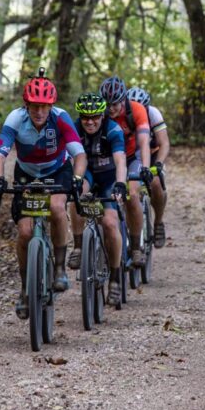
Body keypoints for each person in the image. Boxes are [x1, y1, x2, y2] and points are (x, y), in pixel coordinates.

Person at [0, 68, 87, 319]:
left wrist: (77, 179)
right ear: (27, 104)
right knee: (24, 232)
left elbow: (79, 154)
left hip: (57, 170)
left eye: (44, 106)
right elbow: (0, 153)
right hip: (27, 174)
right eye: (35, 106)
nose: (40, 111)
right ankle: (25, 289)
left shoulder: (61, 117)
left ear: (51, 105)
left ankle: (58, 269)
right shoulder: (15, 118)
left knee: (56, 208)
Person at [66, 92, 126, 306]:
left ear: (102, 116)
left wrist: (120, 183)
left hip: (110, 177)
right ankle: (79, 245)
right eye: (85, 117)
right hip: (88, 174)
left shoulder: (113, 130)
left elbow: (120, 161)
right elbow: (68, 159)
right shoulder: (73, 128)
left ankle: (116, 277)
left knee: (110, 223)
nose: (90, 122)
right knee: (76, 194)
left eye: (94, 117)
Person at [98, 75, 151, 268]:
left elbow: (144, 142)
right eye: (107, 104)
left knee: (132, 193)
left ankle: (136, 248)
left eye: (115, 104)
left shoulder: (136, 110)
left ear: (124, 99)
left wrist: (145, 167)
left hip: (132, 157)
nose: (111, 108)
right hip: (111, 158)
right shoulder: (100, 112)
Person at [127, 86, 170, 247]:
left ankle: (158, 222)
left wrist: (158, 164)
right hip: (131, 155)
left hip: (151, 154)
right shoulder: (123, 114)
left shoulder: (153, 114)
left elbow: (164, 143)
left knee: (156, 183)